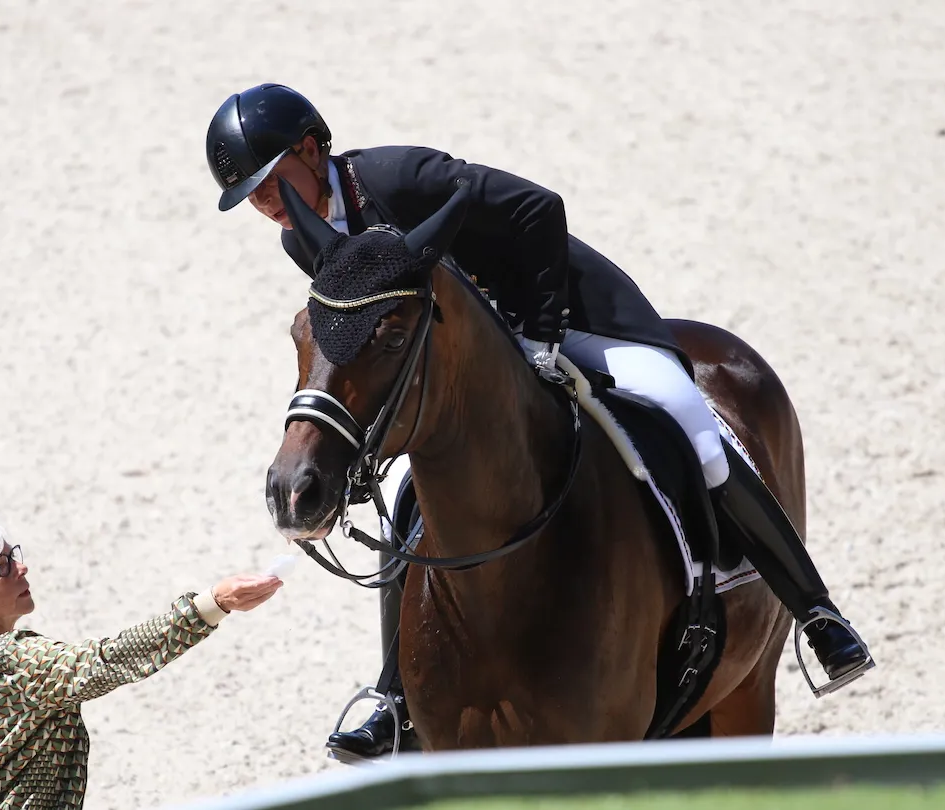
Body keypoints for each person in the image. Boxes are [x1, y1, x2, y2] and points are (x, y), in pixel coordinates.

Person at [204, 83, 875, 761]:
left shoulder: (397, 177)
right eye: (249, 196)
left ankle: (815, 610)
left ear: (310, 149)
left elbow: (537, 208)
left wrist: (540, 334)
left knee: (686, 417)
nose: (264, 203)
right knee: (410, 495)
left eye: (268, 182)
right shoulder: (303, 241)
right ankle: (393, 697)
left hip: (572, 319)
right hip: (476, 367)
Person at [0, 516, 282, 808]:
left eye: (13, 556)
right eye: (0, 566)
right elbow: (109, 659)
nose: (20, 568)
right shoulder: (10, 661)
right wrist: (214, 603)